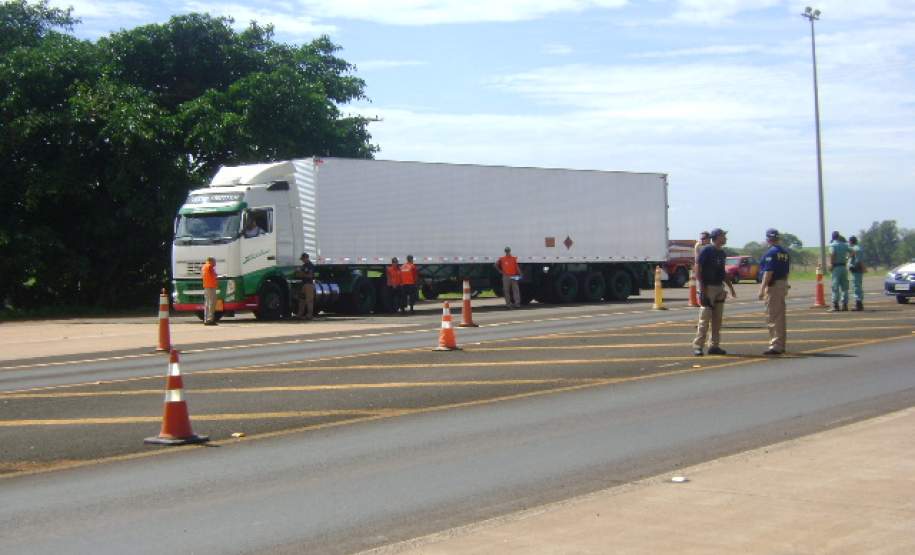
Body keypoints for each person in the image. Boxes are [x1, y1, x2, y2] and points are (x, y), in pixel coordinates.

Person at [692, 228, 736, 356]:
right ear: (717, 237)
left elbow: (723, 272)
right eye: (723, 236)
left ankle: (714, 346)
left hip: (718, 287)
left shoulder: (722, 253)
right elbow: (698, 269)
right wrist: (702, 290)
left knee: (717, 320)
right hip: (708, 287)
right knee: (704, 319)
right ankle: (698, 346)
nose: (726, 238)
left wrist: (731, 288)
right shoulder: (707, 250)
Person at [757, 228, 790, 355]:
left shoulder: (771, 253)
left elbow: (768, 273)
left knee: (773, 316)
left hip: (774, 285)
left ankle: (776, 345)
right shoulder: (784, 253)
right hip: (782, 283)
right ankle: (780, 343)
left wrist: (761, 289)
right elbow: (786, 272)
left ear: (768, 239)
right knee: (780, 316)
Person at [828, 231, 850, 311]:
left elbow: (832, 254)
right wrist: (846, 259)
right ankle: (845, 305)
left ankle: (835, 305)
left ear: (832, 237)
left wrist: (831, 264)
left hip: (836, 267)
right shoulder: (844, 245)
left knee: (835, 286)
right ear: (838, 236)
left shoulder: (832, 245)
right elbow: (852, 252)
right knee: (844, 287)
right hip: (843, 267)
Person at [295, 252, 316, 320]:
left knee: (309, 301)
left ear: (306, 258)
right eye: (302, 259)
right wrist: (299, 272)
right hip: (303, 284)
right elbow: (299, 275)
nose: (302, 260)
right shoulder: (303, 266)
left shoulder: (310, 265)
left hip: (309, 284)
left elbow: (310, 275)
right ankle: (299, 315)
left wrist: (302, 274)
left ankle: (309, 315)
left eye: (303, 259)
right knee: (302, 300)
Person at [848, 236, 865, 311]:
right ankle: (859, 303)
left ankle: (858, 305)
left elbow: (858, 261)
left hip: (856, 270)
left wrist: (854, 267)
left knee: (856, 287)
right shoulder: (858, 248)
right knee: (858, 286)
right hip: (858, 270)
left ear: (851, 242)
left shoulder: (855, 249)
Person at [201, 256, 219, 326]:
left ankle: (206, 319)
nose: (215, 263)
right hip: (211, 287)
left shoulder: (204, 267)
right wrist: (216, 276)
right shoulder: (209, 267)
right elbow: (213, 275)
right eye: (214, 262)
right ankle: (210, 320)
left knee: (207, 303)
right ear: (211, 261)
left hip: (206, 286)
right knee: (212, 303)